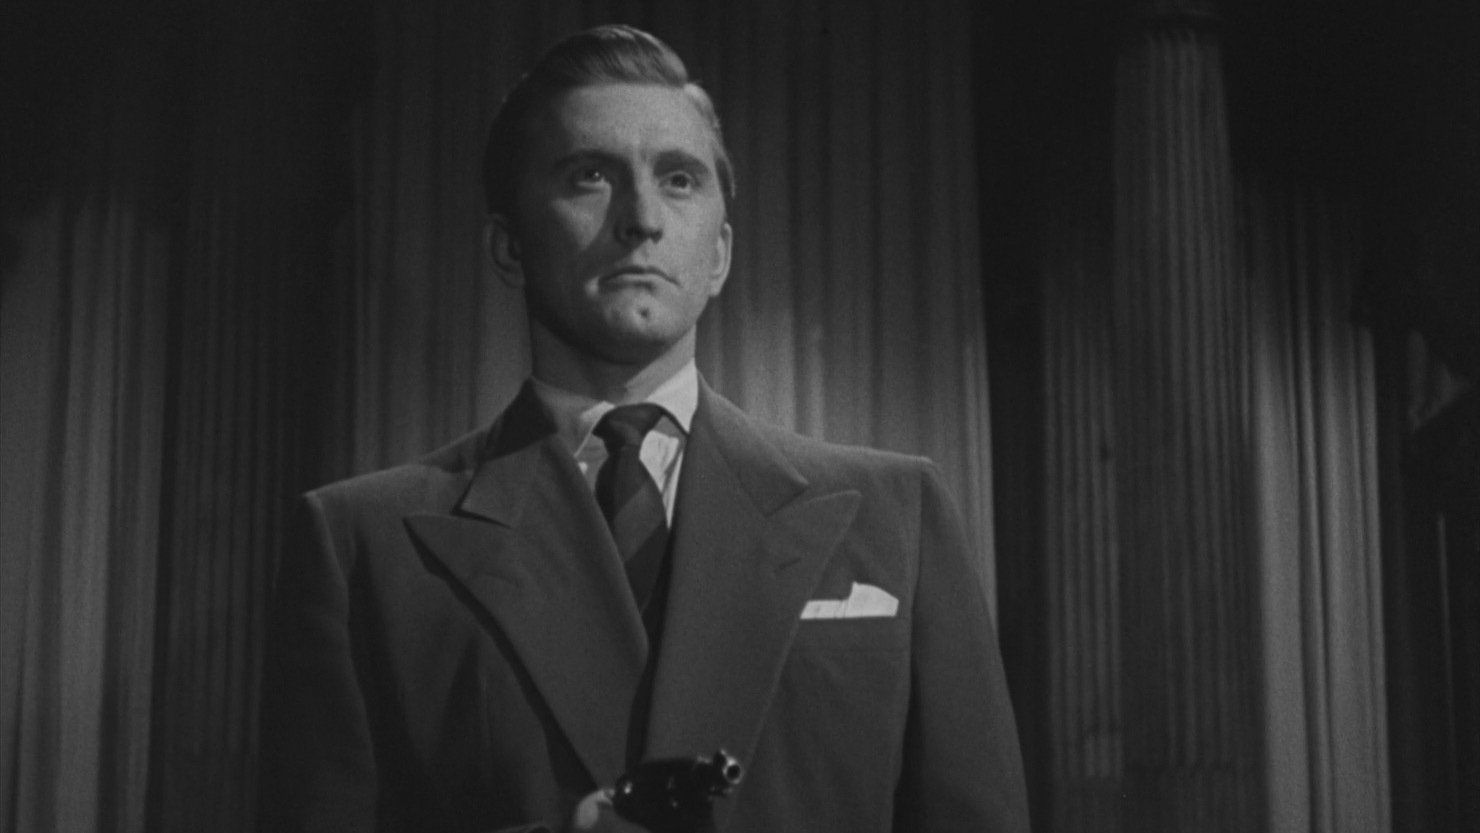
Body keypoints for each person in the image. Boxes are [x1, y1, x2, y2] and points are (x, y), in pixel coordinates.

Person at [258, 23, 1028, 833]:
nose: (642, 218)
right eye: (590, 176)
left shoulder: (896, 516)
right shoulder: (362, 545)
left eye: (679, 179)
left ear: (720, 254)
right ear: (509, 246)